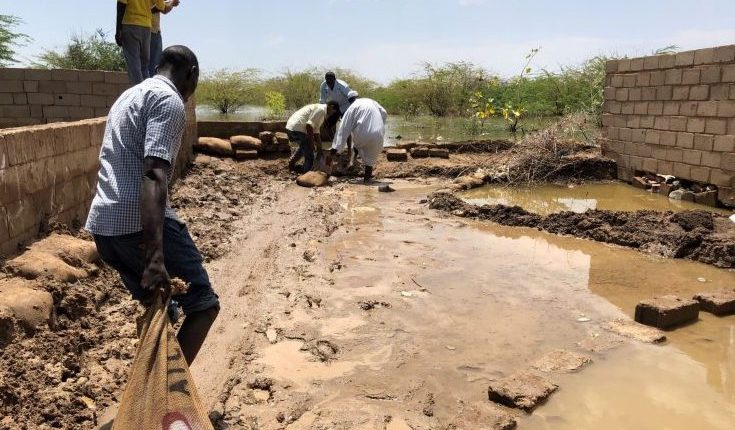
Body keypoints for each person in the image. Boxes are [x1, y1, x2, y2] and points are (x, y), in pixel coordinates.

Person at [85, 45, 218, 366]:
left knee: (162, 309)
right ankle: (165, 398)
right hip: (136, 225)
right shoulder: (168, 101)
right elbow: (154, 174)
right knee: (203, 304)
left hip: (105, 228)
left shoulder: (128, 97)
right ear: (193, 74)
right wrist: (156, 256)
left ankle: (149, 386)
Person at [329, 95, 388, 183]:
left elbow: (343, 129)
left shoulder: (352, 107)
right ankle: (367, 180)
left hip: (363, 134)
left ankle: (351, 162)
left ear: (350, 101)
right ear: (358, 97)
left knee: (357, 144)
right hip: (379, 134)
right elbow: (384, 113)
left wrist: (337, 148)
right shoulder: (371, 101)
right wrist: (380, 124)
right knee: (370, 161)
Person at [116, 0, 166, 84]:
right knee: (144, 67)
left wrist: (118, 30)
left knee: (134, 65)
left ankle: (140, 93)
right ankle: (147, 92)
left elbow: (121, 3)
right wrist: (147, 12)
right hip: (146, 27)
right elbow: (161, 6)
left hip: (130, 24)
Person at [286, 101, 341, 172]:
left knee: (304, 147)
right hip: (297, 128)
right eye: (333, 112)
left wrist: (319, 147)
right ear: (331, 106)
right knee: (310, 155)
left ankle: (291, 164)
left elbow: (316, 131)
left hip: (293, 126)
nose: (331, 114)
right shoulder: (321, 110)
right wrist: (311, 143)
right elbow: (309, 126)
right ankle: (306, 173)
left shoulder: (321, 110)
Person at [149, 0, 180, 78]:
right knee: (153, 67)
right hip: (152, 31)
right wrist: (172, 3)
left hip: (136, 27)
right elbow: (162, 8)